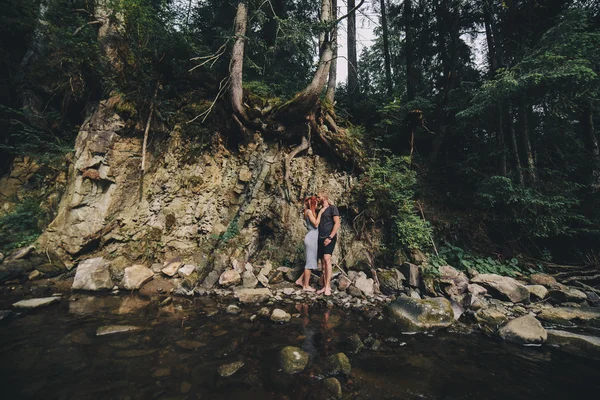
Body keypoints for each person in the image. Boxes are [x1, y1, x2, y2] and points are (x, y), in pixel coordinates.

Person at [295, 195, 326, 291]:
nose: (317, 205)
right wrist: (320, 213)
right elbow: (316, 224)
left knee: (313, 261)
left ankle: (300, 280)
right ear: (312, 204)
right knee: (309, 263)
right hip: (312, 238)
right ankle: (306, 286)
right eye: (316, 203)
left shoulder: (310, 212)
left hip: (313, 238)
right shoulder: (308, 212)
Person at [316, 192, 340, 296]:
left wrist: (330, 237)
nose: (317, 198)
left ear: (325, 197)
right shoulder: (320, 211)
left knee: (327, 259)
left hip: (329, 238)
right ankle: (324, 286)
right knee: (322, 264)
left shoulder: (332, 208)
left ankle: (328, 287)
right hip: (320, 238)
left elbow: (337, 223)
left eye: (318, 196)